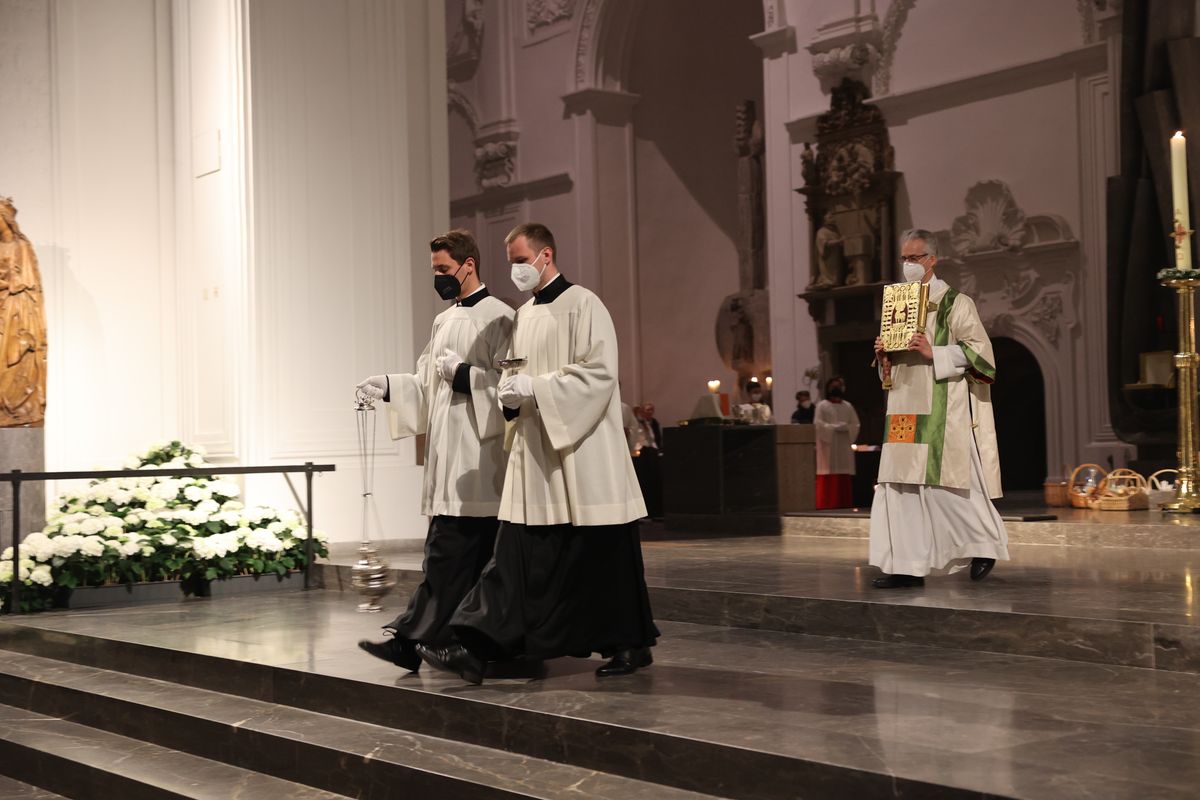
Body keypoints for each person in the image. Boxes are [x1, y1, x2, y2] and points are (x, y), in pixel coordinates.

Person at [419, 222, 659, 683]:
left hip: (584, 454)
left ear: (545, 255)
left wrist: (537, 388)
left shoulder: (585, 304)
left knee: (605, 556)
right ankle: (473, 645)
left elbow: (599, 374)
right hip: (535, 452)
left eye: (521, 260)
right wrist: (510, 396)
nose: (515, 270)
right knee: (514, 556)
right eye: (510, 262)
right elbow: (510, 376)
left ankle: (631, 644)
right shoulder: (523, 316)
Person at [355, 229, 514, 669]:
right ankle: (438, 644)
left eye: (444, 269)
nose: (438, 277)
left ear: (468, 265)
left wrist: (465, 375)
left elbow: (510, 386)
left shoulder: (500, 317)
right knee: (452, 561)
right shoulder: (444, 321)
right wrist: (390, 386)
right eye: (434, 270)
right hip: (447, 455)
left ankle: (412, 642)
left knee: (448, 558)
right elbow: (427, 384)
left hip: (478, 460)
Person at [869, 228, 1009, 588]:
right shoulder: (897, 304)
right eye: (904, 258)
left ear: (932, 259)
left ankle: (983, 545)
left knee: (945, 485)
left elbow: (983, 356)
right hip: (903, 403)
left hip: (940, 402)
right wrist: (883, 356)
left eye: (914, 257)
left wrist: (935, 351)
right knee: (898, 484)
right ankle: (906, 566)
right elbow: (888, 372)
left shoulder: (956, 302)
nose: (907, 264)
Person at [814, 377, 860, 509]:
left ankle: (844, 505)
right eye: (833, 386)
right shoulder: (822, 405)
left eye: (838, 386)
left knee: (843, 475)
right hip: (828, 447)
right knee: (828, 474)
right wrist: (832, 428)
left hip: (843, 446)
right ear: (828, 388)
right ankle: (826, 505)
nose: (836, 388)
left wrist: (846, 428)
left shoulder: (847, 406)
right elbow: (818, 424)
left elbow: (855, 424)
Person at [633, 402, 663, 520]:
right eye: (647, 410)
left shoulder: (654, 423)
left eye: (652, 410)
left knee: (655, 481)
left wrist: (659, 449)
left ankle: (656, 511)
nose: (650, 412)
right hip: (641, 454)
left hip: (653, 452)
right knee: (644, 482)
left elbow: (656, 437)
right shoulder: (636, 423)